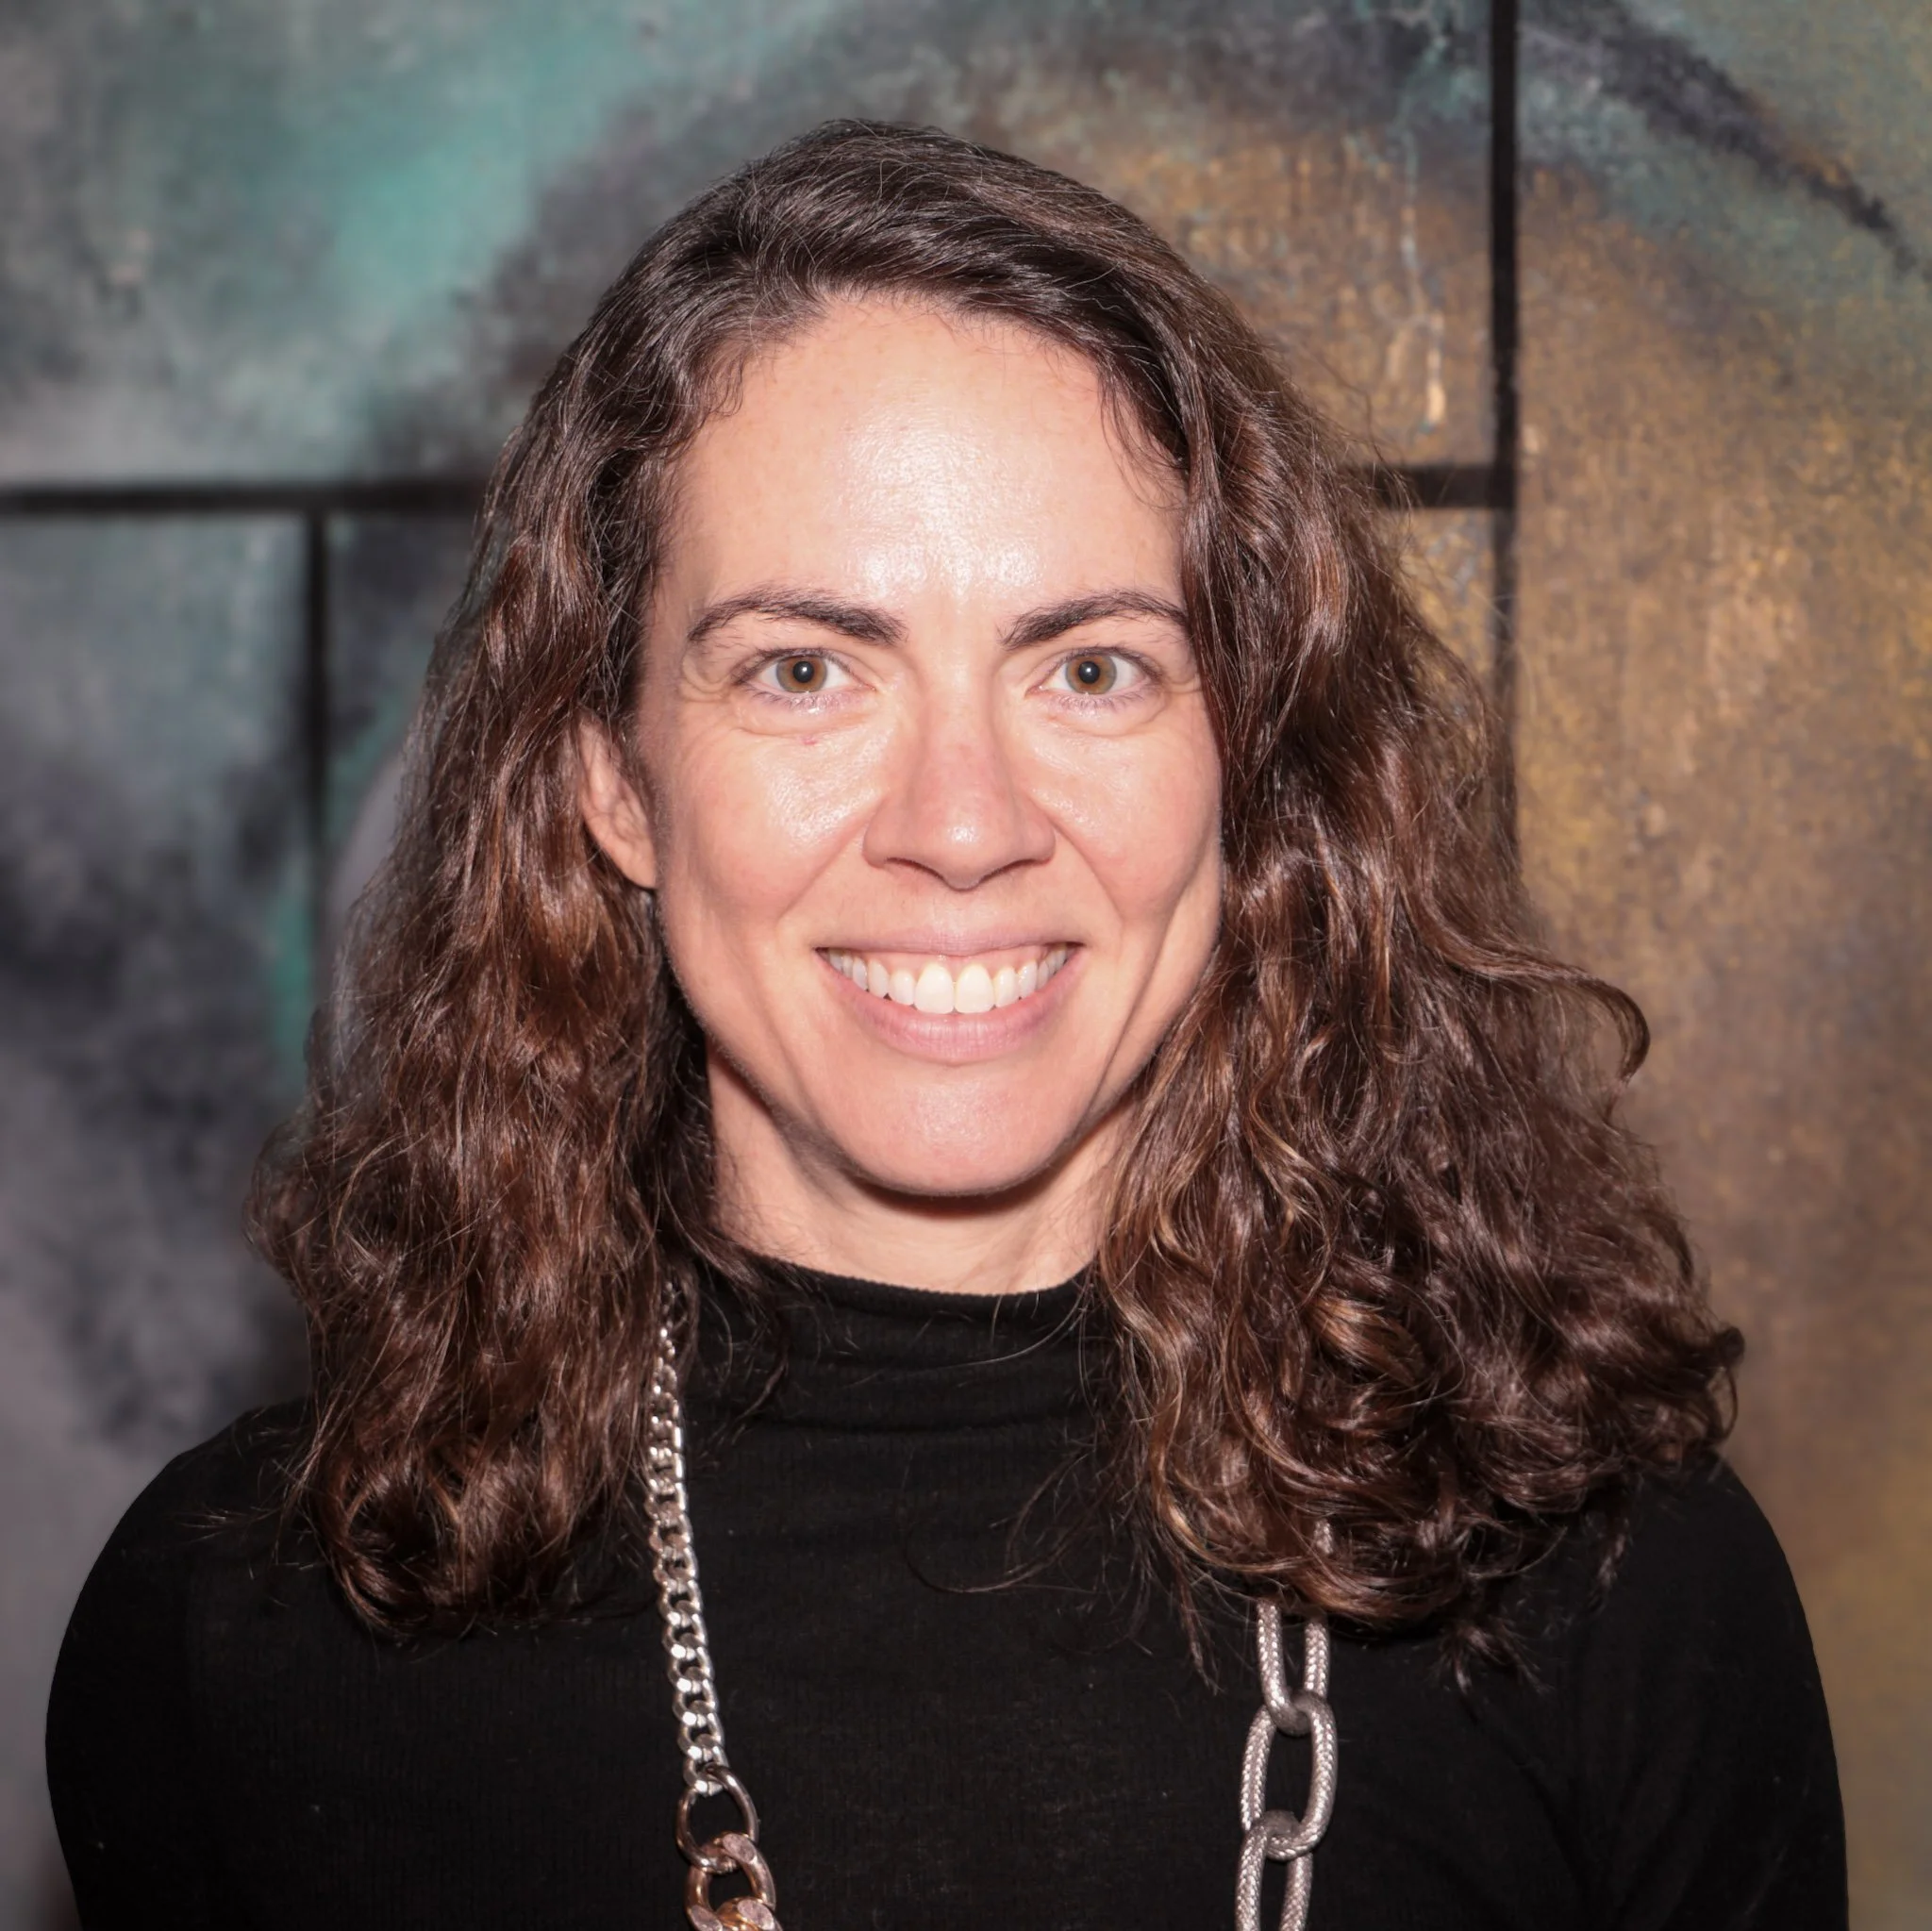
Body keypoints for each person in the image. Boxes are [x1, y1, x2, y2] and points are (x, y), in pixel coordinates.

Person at [46, 121, 1842, 1931]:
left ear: (1248, 761)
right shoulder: (238, 1638)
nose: (964, 821)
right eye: (806, 669)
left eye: (1091, 666)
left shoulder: (1617, 1599)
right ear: (610, 779)